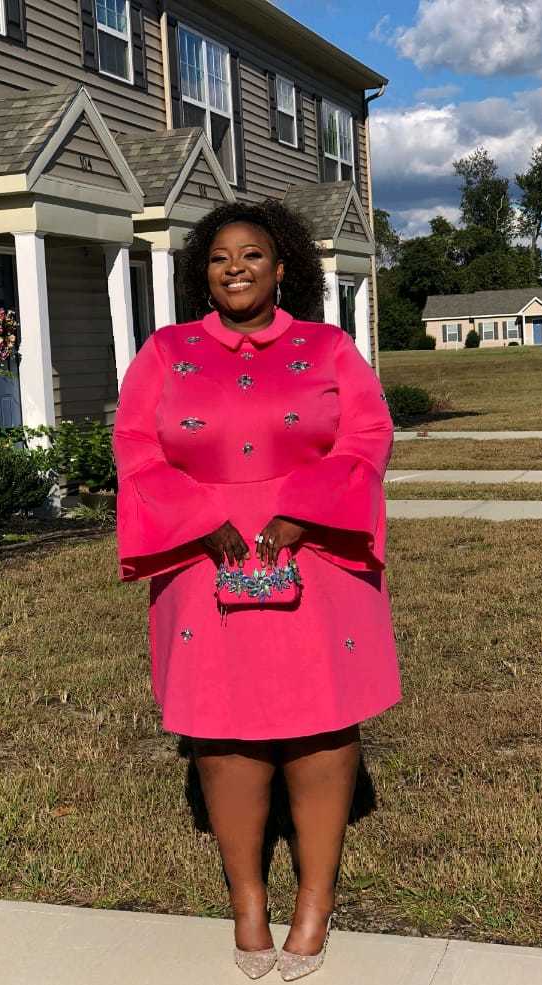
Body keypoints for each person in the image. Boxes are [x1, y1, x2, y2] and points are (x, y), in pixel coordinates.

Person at [112, 199, 401, 980]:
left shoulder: (329, 347)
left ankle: (314, 899)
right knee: (222, 726)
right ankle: (247, 900)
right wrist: (200, 522)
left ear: (283, 268)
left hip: (319, 553)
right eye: (218, 258)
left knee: (321, 721)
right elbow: (137, 448)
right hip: (201, 556)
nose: (235, 268)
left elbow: (368, 436)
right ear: (201, 273)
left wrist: (306, 514)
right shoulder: (166, 352)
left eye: (253, 255)